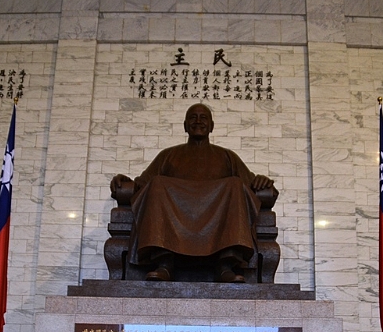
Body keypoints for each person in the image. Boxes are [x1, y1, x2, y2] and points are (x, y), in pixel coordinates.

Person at [110, 104, 275, 283]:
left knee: (235, 185)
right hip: (175, 213)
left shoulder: (227, 157)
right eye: (193, 117)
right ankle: (164, 263)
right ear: (185, 125)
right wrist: (124, 181)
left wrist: (262, 182)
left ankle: (225, 265)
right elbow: (141, 186)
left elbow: (251, 184)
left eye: (203, 118)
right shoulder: (168, 155)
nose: (198, 121)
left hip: (218, 214)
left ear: (211, 126)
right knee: (157, 184)